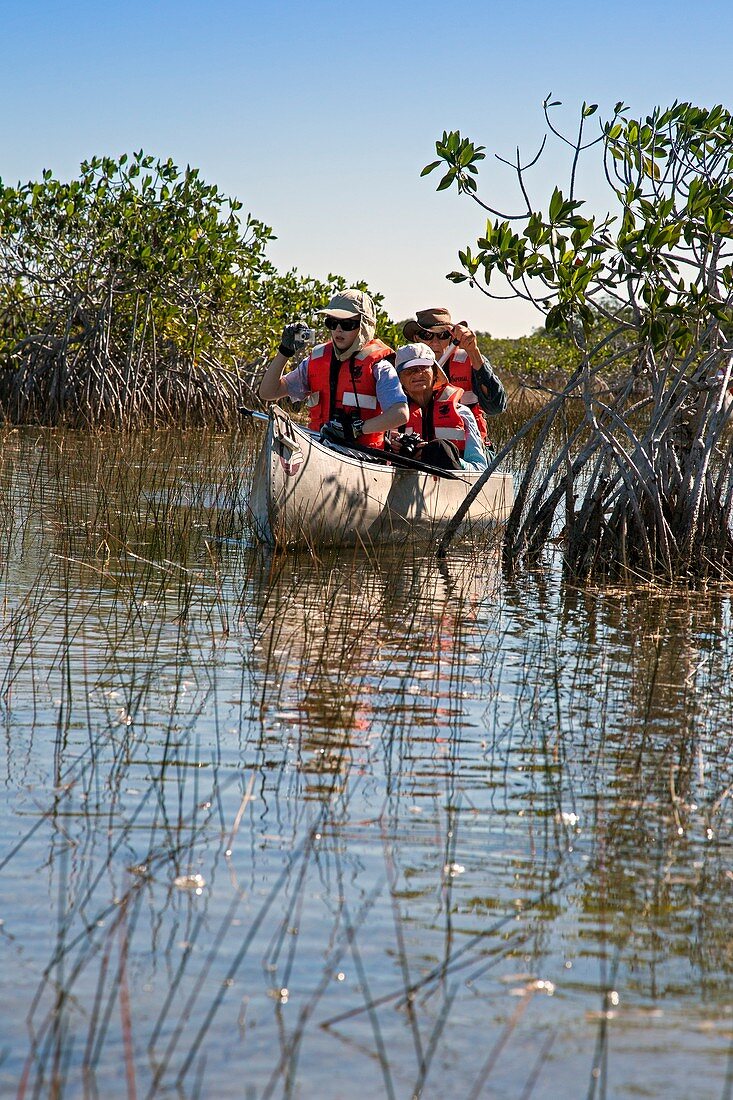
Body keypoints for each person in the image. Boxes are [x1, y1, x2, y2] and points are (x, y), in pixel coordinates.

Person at [259, 289, 408, 449]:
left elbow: (400, 414)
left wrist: (356, 429)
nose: (338, 329)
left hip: (364, 455)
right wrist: (284, 351)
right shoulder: (315, 360)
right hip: (320, 448)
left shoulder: (380, 366)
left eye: (347, 324)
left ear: (365, 326)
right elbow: (268, 393)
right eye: (332, 322)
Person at [402, 307, 506, 446]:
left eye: (442, 335)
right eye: (427, 335)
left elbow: (496, 407)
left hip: (469, 452)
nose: (434, 342)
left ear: (452, 338)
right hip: (416, 451)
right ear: (416, 338)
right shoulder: (403, 365)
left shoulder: (470, 360)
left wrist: (473, 351)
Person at [391, 343, 488, 471]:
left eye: (424, 367)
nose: (418, 373)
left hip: (452, 485)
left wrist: (444, 457)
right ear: (399, 379)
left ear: (435, 373)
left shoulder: (463, 413)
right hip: (404, 483)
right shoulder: (390, 416)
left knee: (439, 447)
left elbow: (480, 468)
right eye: (409, 370)